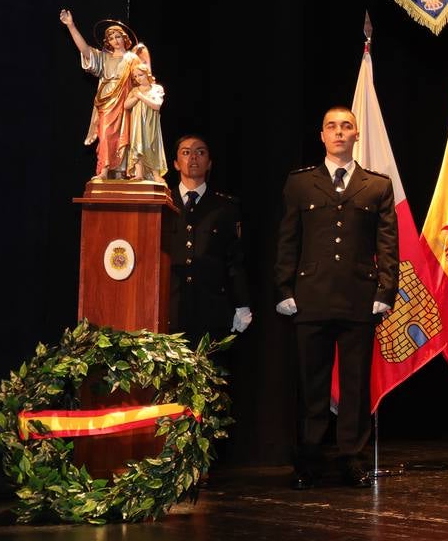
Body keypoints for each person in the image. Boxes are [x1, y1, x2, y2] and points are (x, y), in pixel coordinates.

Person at [274, 108, 398, 489]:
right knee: (312, 384)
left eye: (346, 126)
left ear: (356, 134)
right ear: (322, 135)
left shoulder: (376, 185)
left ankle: (350, 459)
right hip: (311, 297)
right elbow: (289, 239)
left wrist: (385, 291)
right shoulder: (301, 184)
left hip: (359, 299)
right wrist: (285, 289)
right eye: (332, 126)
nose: (339, 132)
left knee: (356, 384)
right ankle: (309, 460)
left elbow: (388, 243)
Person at [162, 135, 252, 341]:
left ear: (209, 163)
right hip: (170, 308)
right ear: (175, 163)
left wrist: (242, 303)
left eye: (200, 152)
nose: (193, 157)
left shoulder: (226, 207)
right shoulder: (163, 204)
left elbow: (234, 261)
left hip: (211, 311)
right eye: (186, 152)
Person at [60, 9, 141, 179]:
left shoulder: (133, 59)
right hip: (107, 101)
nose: (115, 41)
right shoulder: (104, 58)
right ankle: (104, 170)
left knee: (125, 136)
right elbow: (85, 50)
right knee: (105, 134)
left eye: (117, 36)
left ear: (124, 38)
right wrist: (71, 26)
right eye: (111, 38)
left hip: (127, 101)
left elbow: (142, 79)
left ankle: (122, 172)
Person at [122, 62, 166, 182]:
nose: (137, 78)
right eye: (135, 76)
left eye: (140, 75)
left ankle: (156, 174)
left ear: (147, 74)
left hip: (151, 124)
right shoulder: (135, 90)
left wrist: (140, 96)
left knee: (152, 145)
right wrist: (136, 96)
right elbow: (126, 105)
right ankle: (139, 174)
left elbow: (157, 105)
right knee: (137, 145)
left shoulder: (157, 88)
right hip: (138, 124)